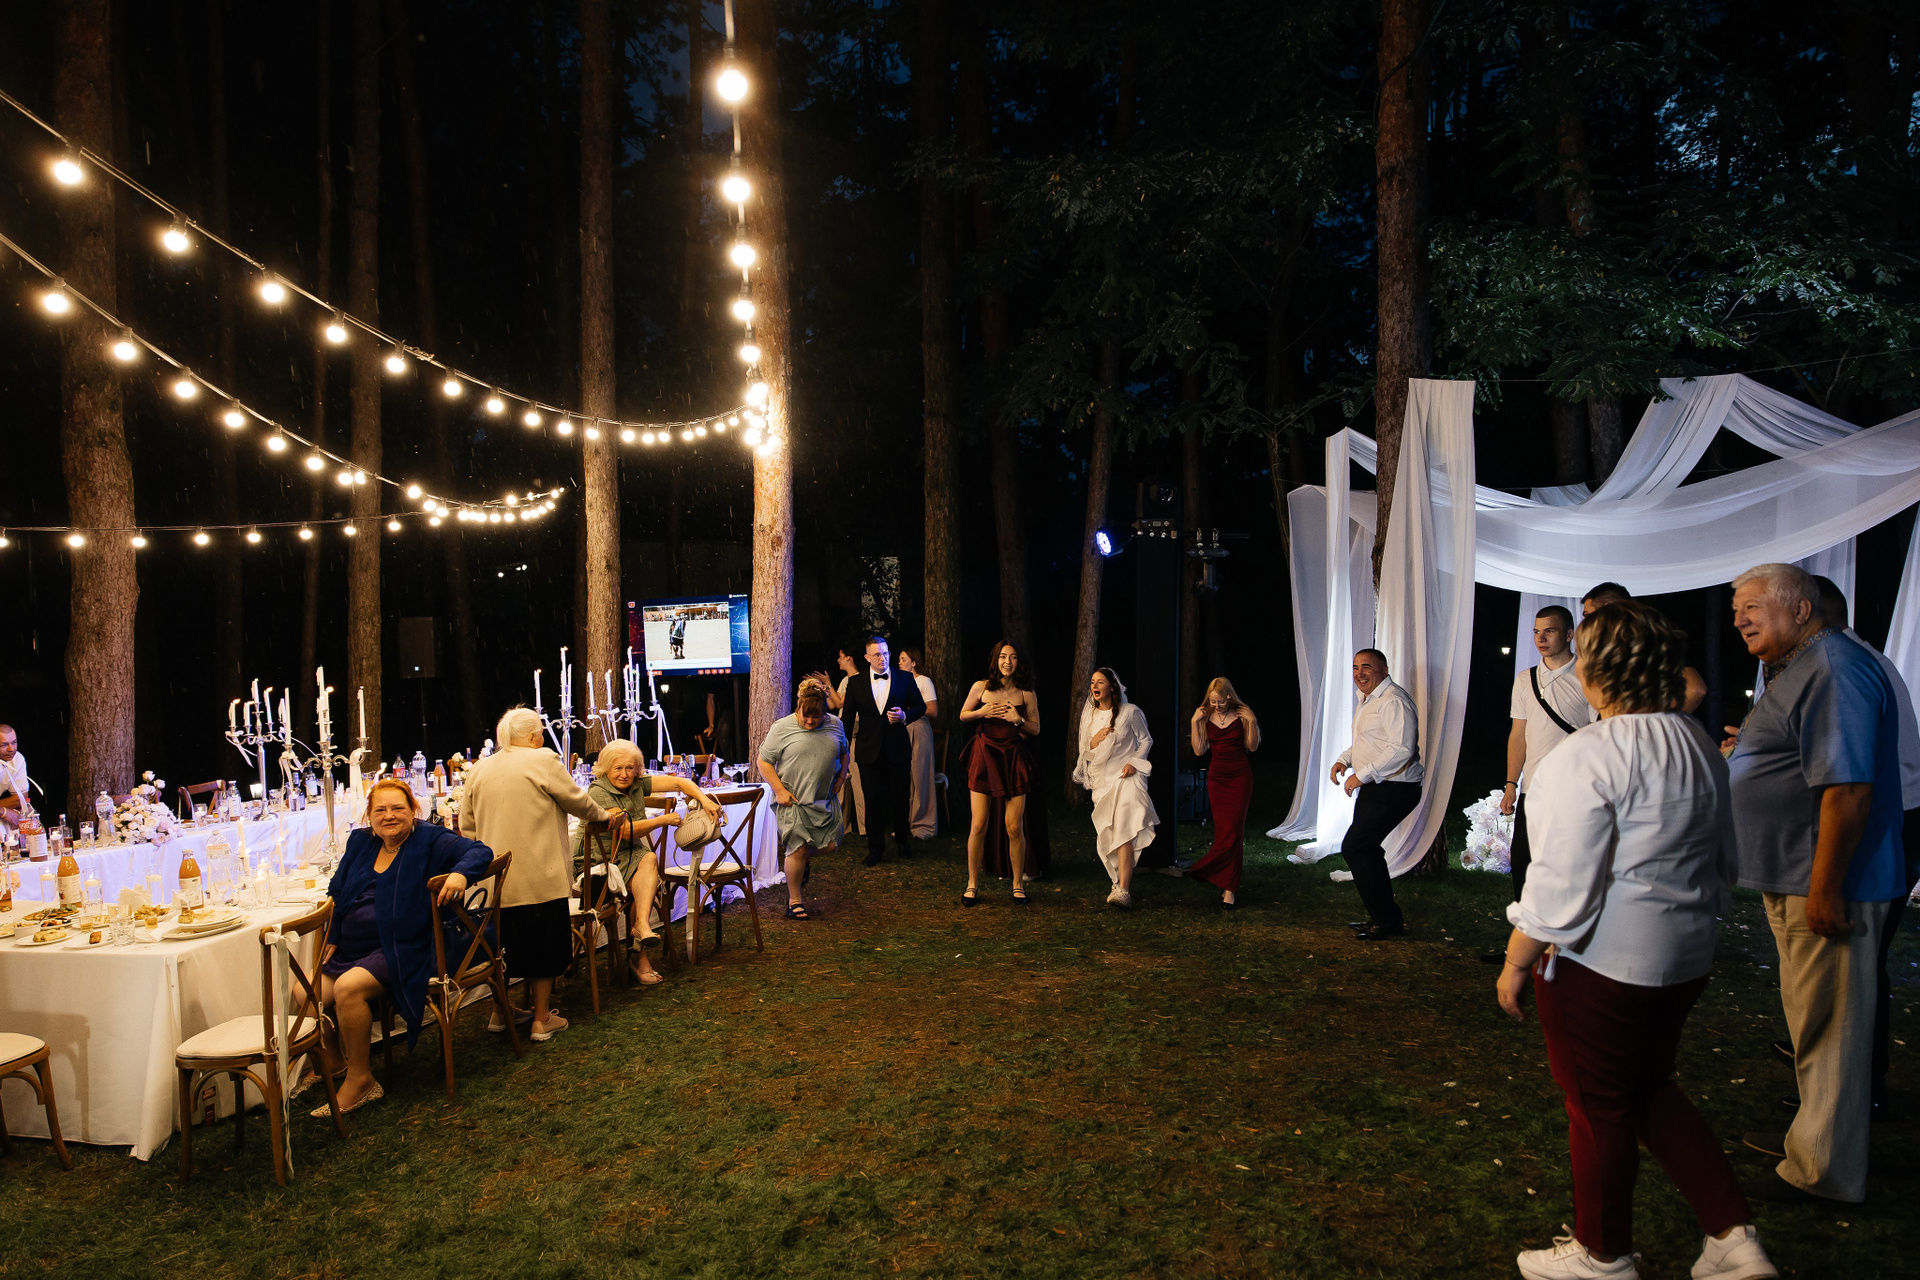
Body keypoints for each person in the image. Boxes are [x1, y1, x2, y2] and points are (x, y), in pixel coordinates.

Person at [1497, 600, 1777, 1280]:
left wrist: (1515, 962)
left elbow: (1561, 883)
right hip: (1686, 954)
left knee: (1597, 1105)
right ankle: (1732, 1236)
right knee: (1649, 1088)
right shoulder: (1696, 744)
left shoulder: (1586, 755)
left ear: (1593, 671)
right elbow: (1725, 855)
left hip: (1604, 962)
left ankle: (1602, 1254)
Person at [1724, 562, 1905, 1207]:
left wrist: (1826, 888)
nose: (1738, 619)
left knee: (1831, 1028)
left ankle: (1822, 1172)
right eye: (1735, 609)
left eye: (1751, 606)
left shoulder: (1832, 668)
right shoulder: (1804, 666)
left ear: (1801, 609)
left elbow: (1849, 790)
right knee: (1814, 1021)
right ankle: (1813, 1145)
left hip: (1824, 883)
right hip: (1799, 875)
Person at [1806, 576, 1920, 1118]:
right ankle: (1847, 1077)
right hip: (1891, 819)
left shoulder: (1845, 669)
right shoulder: (1856, 661)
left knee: (1856, 963)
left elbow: (1852, 781)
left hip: (1883, 826)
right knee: (1856, 964)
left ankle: (1855, 1088)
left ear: (1807, 613)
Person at [313, 777, 494, 1116]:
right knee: (305, 992)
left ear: (413, 810)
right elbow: (336, 891)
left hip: (406, 946)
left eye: (398, 808)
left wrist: (459, 874)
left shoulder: (429, 838)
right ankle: (336, 1062)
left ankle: (361, 1079)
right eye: (380, 809)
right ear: (369, 815)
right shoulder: (361, 842)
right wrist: (334, 933)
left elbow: (480, 852)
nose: (389, 815)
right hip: (354, 947)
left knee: (347, 989)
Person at [461, 708, 617, 1042]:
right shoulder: (542, 759)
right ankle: (542, 1018)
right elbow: (577, 801)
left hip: (496, 879)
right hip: (538, 873)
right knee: (543, 944)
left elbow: (467, 826)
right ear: (534, 736)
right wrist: (605, 816)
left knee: (502, 948)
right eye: (541, 733)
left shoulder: (480, 768)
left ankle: (500, 1012)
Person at [1482, 606, 1597, 964]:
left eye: (1550, 631)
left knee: (1566, 869)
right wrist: (1511, 784)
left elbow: (1599, 732)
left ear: (1569, 635)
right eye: (1536, 631)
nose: (1541, 638)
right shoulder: (1525, 679)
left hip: (1573, 790)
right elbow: (1518, 734)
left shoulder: (1588, 675)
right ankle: (1525, 945)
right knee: (1524, 866)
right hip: (1533, 788)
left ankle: (1564, 948)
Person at [574, 739, 715, 987]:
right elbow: (625, 831)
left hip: (631, 855)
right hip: (600, 861)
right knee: (645, 875)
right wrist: (664, 820)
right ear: (606, 768)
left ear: (637, 769)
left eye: (630, 768)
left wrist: (705, 799)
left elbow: (680, 782)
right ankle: (639, 951)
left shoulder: (638, 783)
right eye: (618, 768)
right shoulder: (598, 791)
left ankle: (640, 930)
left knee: (647, 861)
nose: (624, 774)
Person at [1330, 649, 1422, 940]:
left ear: (1384, 670)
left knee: (1356, 847)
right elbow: (1368, 742)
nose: (1359, 673)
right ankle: (1384, 920)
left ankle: (1386, 921)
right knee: (1365, 849)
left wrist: (1362, 774)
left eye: (1367, 667)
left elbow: (1402, 749)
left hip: (1396, 787)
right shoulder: (1369, 699)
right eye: (1355, 667)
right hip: (1378, 786)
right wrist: (1344, 761)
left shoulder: (1393, 700)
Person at [757, 679, 850, 920]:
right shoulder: (782, 727)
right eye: (805, 716)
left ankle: (798, 858)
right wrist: (779, 790)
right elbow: (763, 761)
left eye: (815, 717)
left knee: (831, 845)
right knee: (797, 848)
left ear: (824, 711)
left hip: (823, 798)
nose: (810, 721)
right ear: (798, 706)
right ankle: (794, 901)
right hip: (793, 800)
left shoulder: (835, 725)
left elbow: (845, 752)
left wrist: (841, 778)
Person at [959, 640, 1042, 903]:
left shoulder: (1026, 693)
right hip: (984, 756)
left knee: (1014, 826)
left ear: (1019, 662)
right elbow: (963, 714)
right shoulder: (981, 687)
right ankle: (972, 884)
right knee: (978, 824)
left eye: (1013, 657)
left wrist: (1018, 720)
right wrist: (981, 712)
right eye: (1003, 657)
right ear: (996, 660)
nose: (1008, 662)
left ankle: (1018, 884)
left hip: (1013, 758)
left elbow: (1035, 729)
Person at [1071, 668, 1157, 908]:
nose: (1095, 686)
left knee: (1124, 830)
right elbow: (1086, 756)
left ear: (1113, 686)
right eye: (1092, 682)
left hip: (1127, 778)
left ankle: (1124, 890)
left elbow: (1146, 741)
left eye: (1100, 682)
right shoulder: (1090, 717)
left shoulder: (1130, 712)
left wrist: (1134, 763)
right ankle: (1116, 881)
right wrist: (1094, 741)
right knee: (1108, 835)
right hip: (1103, 783)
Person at [838, 635, 925, 867]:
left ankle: (903, 843)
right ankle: (875, 848)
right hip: (868, 751)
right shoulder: (855, 683)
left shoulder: (905, 678)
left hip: (897, 748)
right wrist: (842, 750)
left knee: (900, 799)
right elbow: (847, 719)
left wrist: (905, 716)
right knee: (873, 801)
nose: (882, 658)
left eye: (885, 653)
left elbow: (920, 706)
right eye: (877, 654)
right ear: (867, 657)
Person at [1184, 678, 1261, 908]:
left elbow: (1252, 746)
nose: (1216, 706)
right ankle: (1224, 879)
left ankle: (1228, 887)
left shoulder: (1242, 715)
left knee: (1234, 832)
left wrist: (1252, 721)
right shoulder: (1205, 717)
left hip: (1239, 778)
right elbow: (1199, 751)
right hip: (1217, 780)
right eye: (1213, 702)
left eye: (1220, 702)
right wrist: (1194, 722)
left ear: (1229, 697)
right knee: (1223, 832)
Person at [1581, 583, 1707, 713]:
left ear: (1607, 609)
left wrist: (1657, 723)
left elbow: (1695, 689)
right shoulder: (1616, 645)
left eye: (1588, 615)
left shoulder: (1645, 640)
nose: (1585, 623)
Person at [898, 648, 940, 840]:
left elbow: (933, 710)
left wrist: (911, 710)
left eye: (903, 659)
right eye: (899, 659)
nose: (899, 662)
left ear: (913, 662)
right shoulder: (901, 682)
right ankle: (906, 824)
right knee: (905, 778)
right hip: (903, 729)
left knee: (921, 775)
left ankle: (923, 825)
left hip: (919, 728)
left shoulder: (923, 681)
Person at [0, 725, 29, 831]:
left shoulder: (17, 759)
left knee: (24, 818)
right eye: (4, 745)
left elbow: (20, 798)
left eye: (14, 742)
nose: (11, 749)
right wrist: (3, 812)